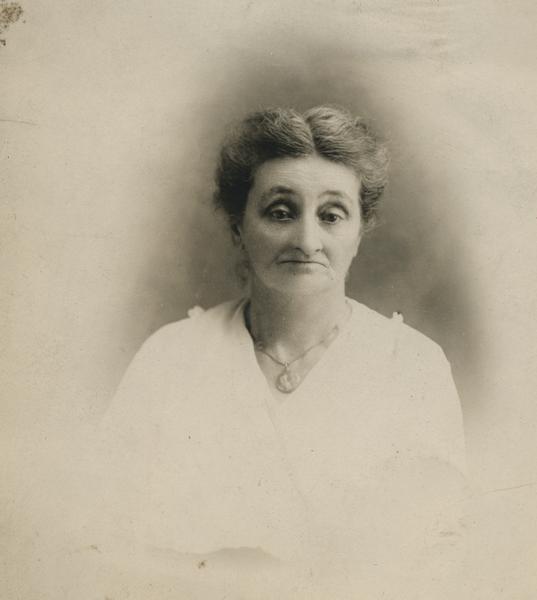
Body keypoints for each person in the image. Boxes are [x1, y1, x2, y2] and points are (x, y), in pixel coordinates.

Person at [88, 106, 467, 599]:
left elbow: (441, 563)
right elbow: (101, 539)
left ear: (360, 229)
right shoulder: (170, 357)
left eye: (331, 215)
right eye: (280, 211)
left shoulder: (413, 366)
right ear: (239, 226)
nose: (307, 240)